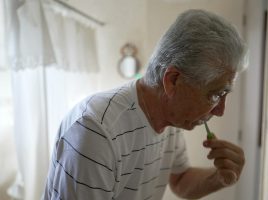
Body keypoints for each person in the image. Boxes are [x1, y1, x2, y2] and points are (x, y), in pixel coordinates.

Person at [43, 9, 247, 200]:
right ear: (173, 80)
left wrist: (220, 177)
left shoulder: (172, 120)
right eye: (216, 94)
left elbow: (181, 180)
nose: (220, 111)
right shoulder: (95, 131)